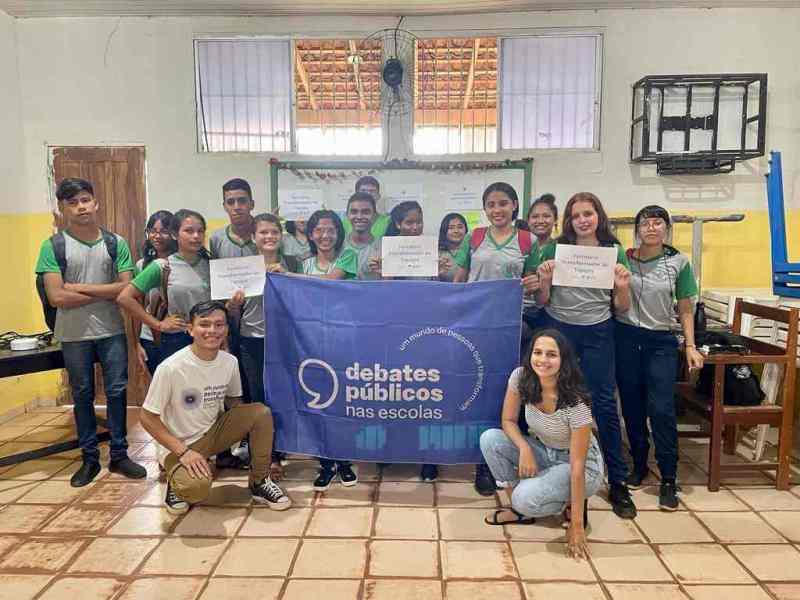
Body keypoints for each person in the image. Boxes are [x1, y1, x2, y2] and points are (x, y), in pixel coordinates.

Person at [35, 177, 146, 487]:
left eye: (85, 199)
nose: (81, 206)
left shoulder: (116, 243)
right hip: (72, 335)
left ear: (95, 202)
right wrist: (108, 291)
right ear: (62, 209)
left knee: (117, 391)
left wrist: (79, 287)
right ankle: (89, 459)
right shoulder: (53, 246)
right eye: (72, 202)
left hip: (111, 330)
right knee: (82, 395)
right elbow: (57, 297)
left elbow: (128, 288)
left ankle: (120, 455)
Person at [536, 192, 637, 519]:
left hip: (598, 331)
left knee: (605, 404)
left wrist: (622, 287)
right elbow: (542, 301)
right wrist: (545, 281)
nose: (582, 220)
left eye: (588, 213)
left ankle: (617, 480)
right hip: (560, 331)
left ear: (598, 216)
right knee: (556, 402)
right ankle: (559, 474)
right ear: (568, 220)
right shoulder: (555, 249)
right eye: (576, 215)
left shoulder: (613, 251)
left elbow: (622, 307)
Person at [139, 300, 291, 515]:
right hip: (180, 445)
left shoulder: (229, 362)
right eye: (205, 324)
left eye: (219, 325)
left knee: (260, 412)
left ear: (226, 330)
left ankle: (259, 482)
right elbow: (146, 418)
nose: (212, 330)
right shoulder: (171, 368)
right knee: (196, 489)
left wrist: (250, 433)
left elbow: (235, 404)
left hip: (212, 433)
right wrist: (183, 452)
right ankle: (177, 484)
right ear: (190, 330)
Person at [480, 330, 604, 559]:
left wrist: (577, 527)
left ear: (563, 360)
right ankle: (521, 513)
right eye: (538, 352)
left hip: (583, 467)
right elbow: (507, 421)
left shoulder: (576, 402)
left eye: (551, 355)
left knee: (524, 497)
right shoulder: (521, 377)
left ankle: (572, 506)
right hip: (545, 449)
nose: (543, 360)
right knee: (490, 439)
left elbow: (577, 468)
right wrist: (525, 449)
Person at [452, 182, 541, 496]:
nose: (497, 210)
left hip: (511, 328)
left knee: (513, 393)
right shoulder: (473, 238)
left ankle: (518, 459)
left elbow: (539, 292)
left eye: (503, 203)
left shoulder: (528, 241)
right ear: (485, 209)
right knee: (480, 392)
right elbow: (459, 283)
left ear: (514, 206)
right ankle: (483, 464)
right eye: (491, 204)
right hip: (476, 328)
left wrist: (534, 283)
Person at [615, 205, 703, 511]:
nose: (651, 228)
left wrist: (690, 345)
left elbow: (686, 306)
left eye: (657, 223)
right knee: (632, 405)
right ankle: (639, 464)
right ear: (637, 229)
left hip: (661, 342)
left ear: (666, 228)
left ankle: (668, 477)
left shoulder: (678, 263)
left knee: (662, 408)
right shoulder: (623, 258)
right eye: (645, 223)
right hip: (626, 339)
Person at [227, 213, 302, 479]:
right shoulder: (242, 267)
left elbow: (305, 298)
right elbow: (233, 315)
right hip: (251, 341)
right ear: (253, 237)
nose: (269, 237)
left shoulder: (293, 262)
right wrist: (233, 305)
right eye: (263, 233)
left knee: (282, 396)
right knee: (258, 398)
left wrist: (288, 276)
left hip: (283, 340)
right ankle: (264, 455)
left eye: (274, 232)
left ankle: (280, 452)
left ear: (281, 236)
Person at [299, 209, 360, 490]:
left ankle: (344, 460)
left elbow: (328, 284)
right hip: (313, 341)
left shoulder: (348, 257)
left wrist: (288, 276)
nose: (325, 235)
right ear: (311, 235)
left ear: (339, 233)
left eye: (331, 230)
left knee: (345, 400)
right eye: (319, 230)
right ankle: (325, 462)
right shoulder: (305, 265)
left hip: (344, 340)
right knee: (319, 402)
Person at [382, 201, 438, 482]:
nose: (414, 228)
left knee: (426, 393)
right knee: (396, 392)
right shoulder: (388, 251)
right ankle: (393, 450)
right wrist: (386, 274)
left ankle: (428, 457)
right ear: (398, 225)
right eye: (408, 223)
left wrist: (445, 269)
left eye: (418, 222)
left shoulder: (433, 250)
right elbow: (385, 295)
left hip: (427, 333)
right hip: (395, 331)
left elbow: (446, 292)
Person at [135, 210, 177, 376]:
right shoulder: (142, 265)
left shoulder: (181, 262)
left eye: (164, 231)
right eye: (153, 231)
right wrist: (136, 343)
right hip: (150, 337)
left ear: (174, 234)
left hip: (178, 335)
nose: (157, 236)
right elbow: (137, 306)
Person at [521, 194, 558, 346]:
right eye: (535, 216)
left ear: (555, 220)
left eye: (546, 216)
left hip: (548, 313)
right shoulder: (518, 244)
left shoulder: (562, 248)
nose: (541, 221)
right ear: (528, 220)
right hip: (518, 312)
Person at [330, 192, 382, 281]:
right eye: (354, 212)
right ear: (347, 215)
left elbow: (389, 285)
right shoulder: (335, 245)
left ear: (375, 216)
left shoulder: (383, 248)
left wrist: (384, 273)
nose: (359, 216)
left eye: (365, 212)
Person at [209, 178, 257, 260]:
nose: (237, 207)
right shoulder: (216, 239)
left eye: (242, 201)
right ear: (224, 207)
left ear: (252, 204)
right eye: (230, 202)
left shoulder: (268, 236)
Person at [437, 212, 468, 282]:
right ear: (444, 231)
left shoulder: (473, 252)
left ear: (466, 229)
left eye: (460, 227)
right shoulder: (437, 254)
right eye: (451, 228)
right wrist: (438, 273)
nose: (456, 231)